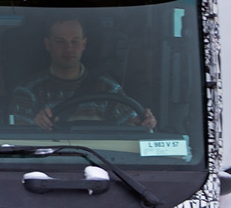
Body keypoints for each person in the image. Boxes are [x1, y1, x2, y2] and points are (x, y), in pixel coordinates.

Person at [9, 18, 157, 129]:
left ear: (84, 44)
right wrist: (37, 126)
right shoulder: (28, 91)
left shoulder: (108, 87)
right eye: (60, 41)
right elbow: (19, 142)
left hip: (103, 162)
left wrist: (144, 122)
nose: (68, 48)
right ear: (48, 44)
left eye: (75, 42)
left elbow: (130, 129)